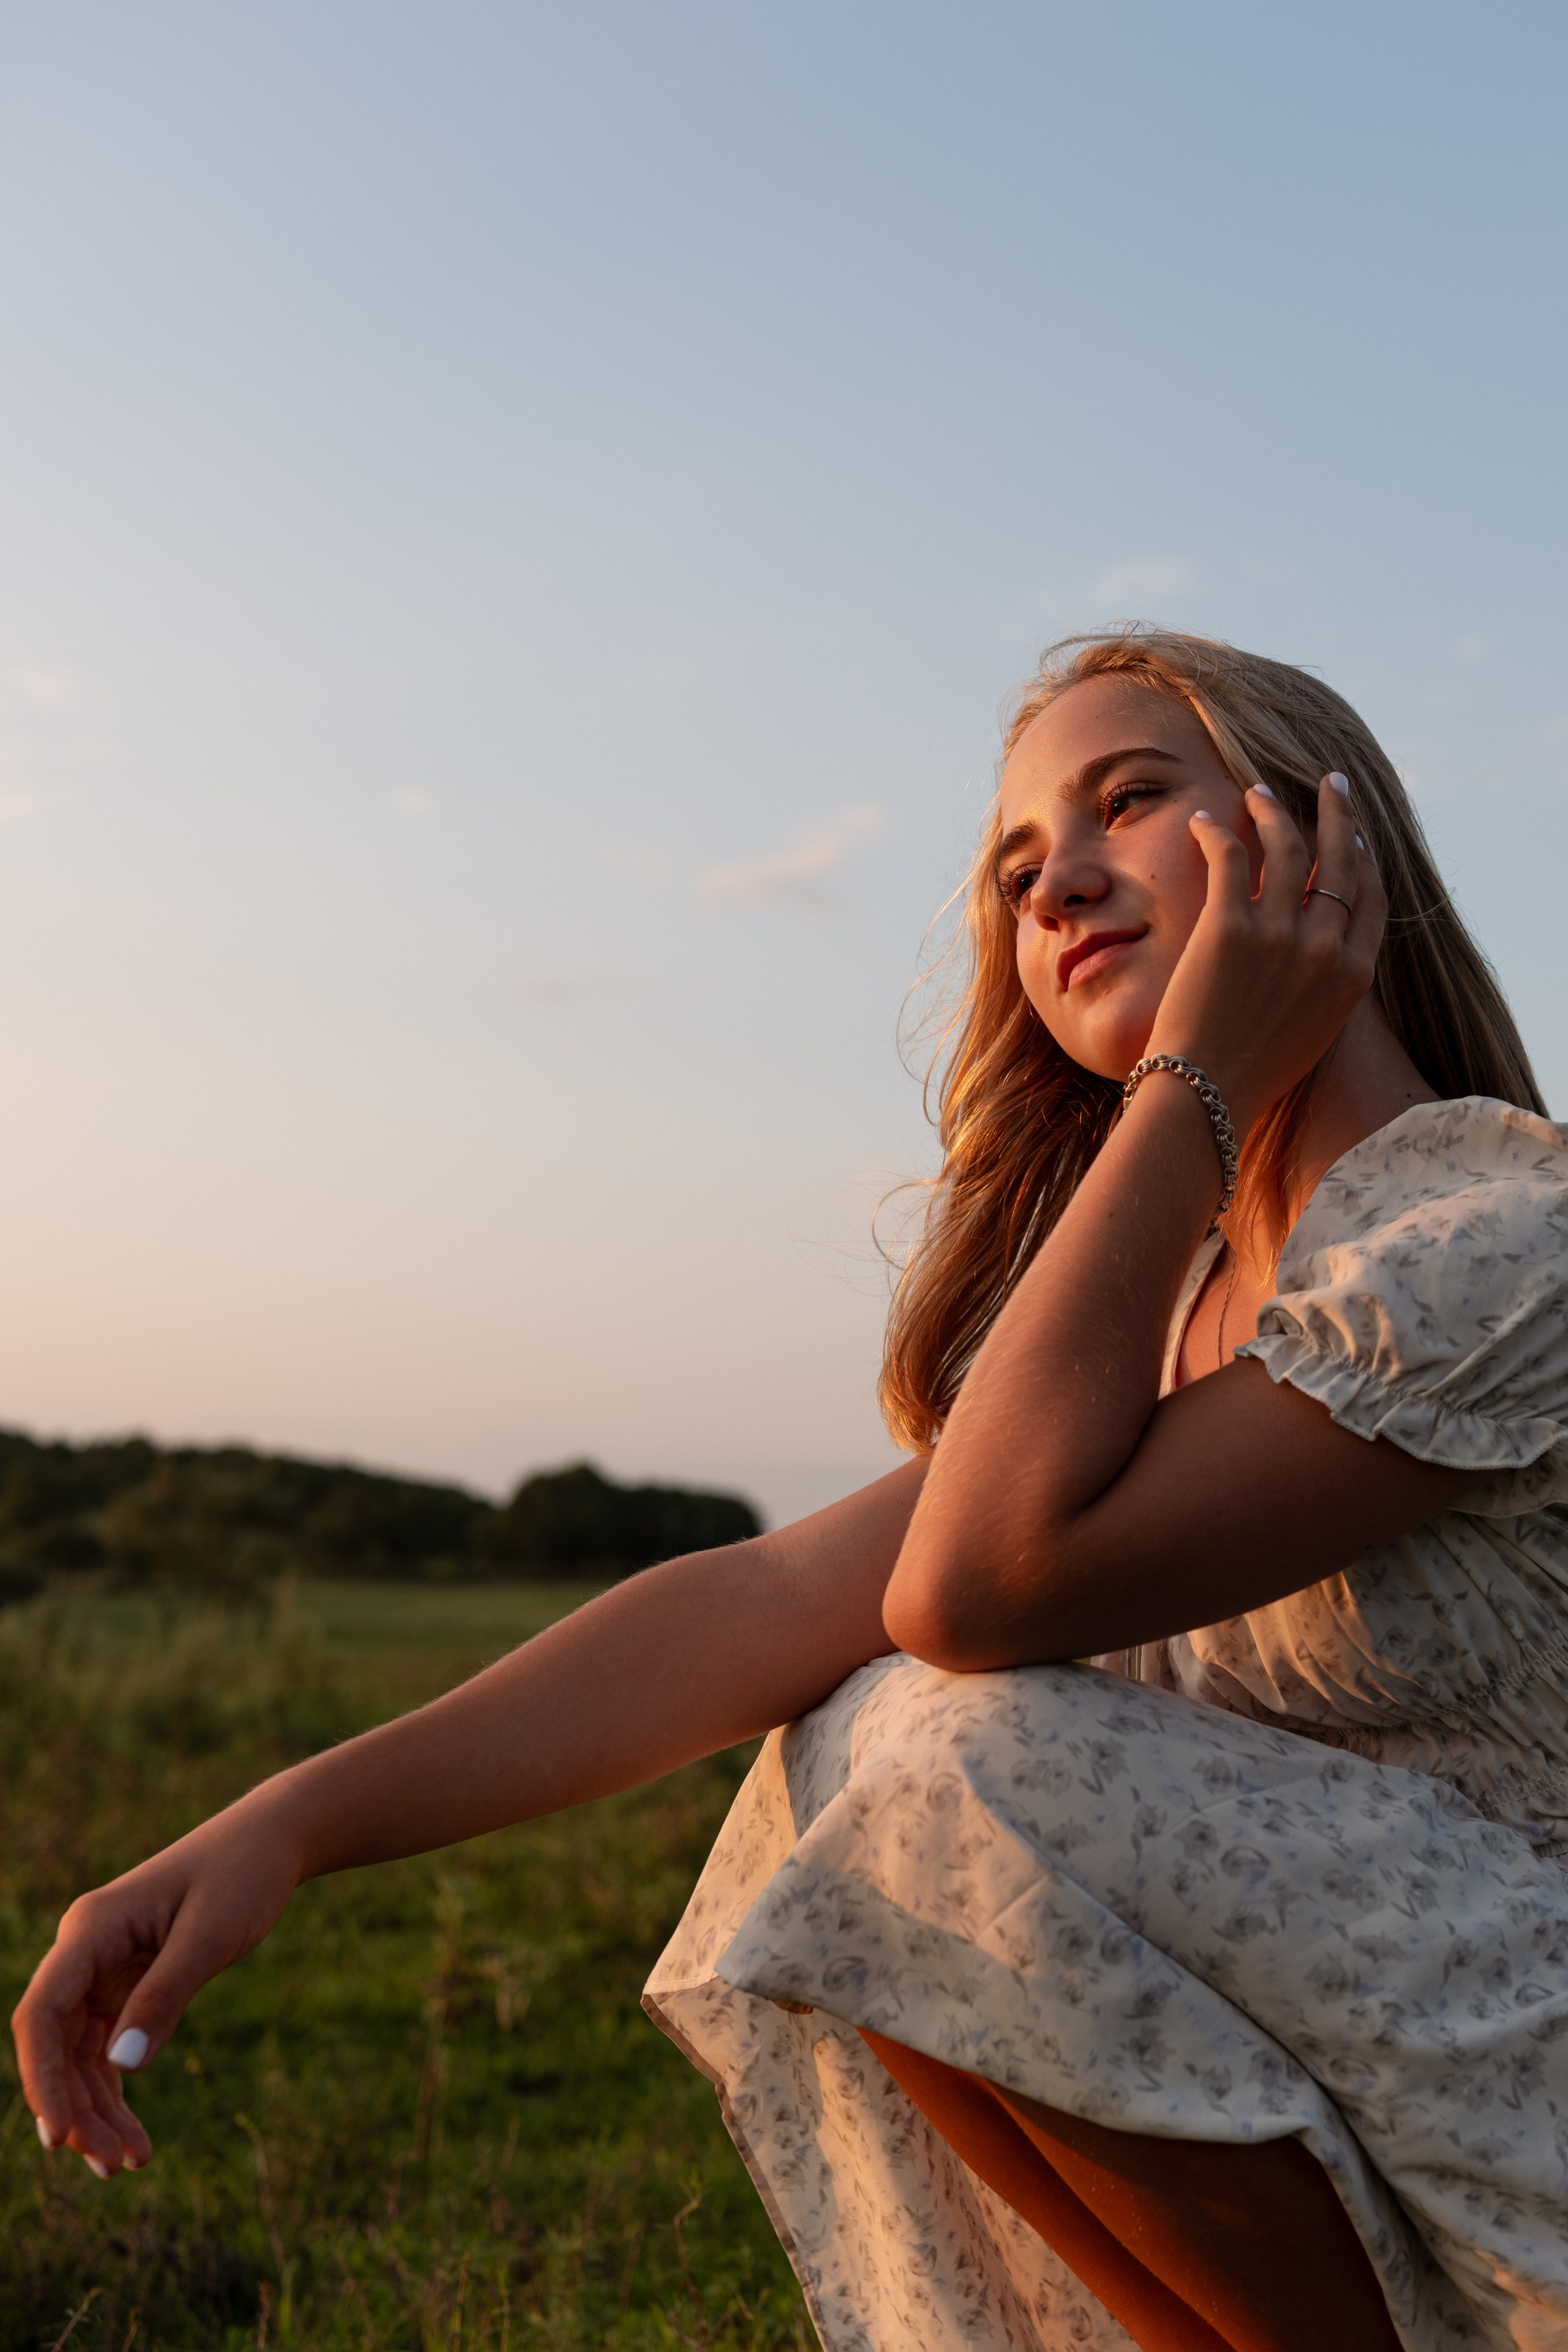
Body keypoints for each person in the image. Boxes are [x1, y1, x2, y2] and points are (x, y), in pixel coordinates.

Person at [14, 628, 1568, 2352]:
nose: (1055, 880)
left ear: (1316, 843)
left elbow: (974, 1585)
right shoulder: (1184, 1318)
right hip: (1400, 2101)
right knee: (854, 1742)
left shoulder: (1488, 1243)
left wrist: (1191, 1086)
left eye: (1127, 799)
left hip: (1535, 2118)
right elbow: (759, 1605)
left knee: (954, 1749)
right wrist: (286, 1826)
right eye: (1014, 867)